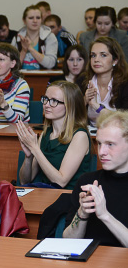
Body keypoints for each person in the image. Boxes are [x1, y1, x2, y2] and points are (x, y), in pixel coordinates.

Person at [63, 110, 128, 247]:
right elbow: (68, 241)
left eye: (110, 144)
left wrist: (104, 215)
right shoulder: (87, 181)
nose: (101, 152)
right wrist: (82, 213)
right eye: (99, 143)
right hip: (88, 258)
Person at [17, 81, 91, 189]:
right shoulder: (46, 134)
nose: (46, 105)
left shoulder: (80, 136)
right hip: (45, 194)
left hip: (68, 196)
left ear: (69, 106)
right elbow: (24, 181)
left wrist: (35, 148)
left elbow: (61, 182)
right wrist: (29, 157)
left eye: (54, 101)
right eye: (46, 99)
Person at [82, 37, 128, 126]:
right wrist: (84, 100)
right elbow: (70, 115)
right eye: (93, 55)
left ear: (115, 60)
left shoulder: (125, 84)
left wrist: (96, 106)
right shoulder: (83, 80)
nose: (96, 60)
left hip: (118, 133)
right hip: (88, 132)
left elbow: (125, 120)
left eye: (103, 55)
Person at [11, 5, 58, 70]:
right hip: (21, 75)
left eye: (38, 18)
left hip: (44, 75)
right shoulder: (17, 38)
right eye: (31, 18)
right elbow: (12, 66)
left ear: (41, 20)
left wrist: (30, 48)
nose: (35, 21)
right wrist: (24, 50)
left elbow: (50, 64)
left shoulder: (49, 37)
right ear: (24, 20)